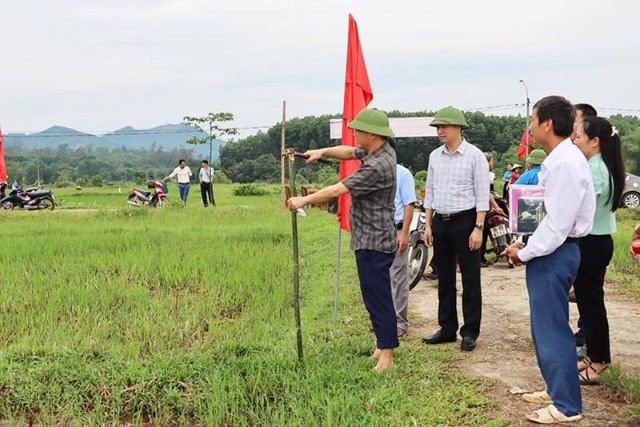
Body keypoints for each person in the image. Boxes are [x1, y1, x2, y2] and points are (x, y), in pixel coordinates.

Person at [503, 96, 595, 424]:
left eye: (532, 120)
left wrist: (525, 252)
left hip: (556, 252)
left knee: (552, 327)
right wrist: (522, 240)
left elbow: (557, 224)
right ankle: (556, 388)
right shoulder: (557, 160)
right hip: (548, 250)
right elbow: (541, 214)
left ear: (548, 124)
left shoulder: (567, 163)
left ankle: (567, 405)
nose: (529, 127)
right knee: (544, 326)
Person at [287, 108, 398, 372]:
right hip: (367, 237)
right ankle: (381, 345)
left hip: (375, 239)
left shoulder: (379, 164)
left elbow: (339, 189)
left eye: (359, 130)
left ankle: (388, 355)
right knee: (372, 295)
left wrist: (303, 199)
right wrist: (322, 152)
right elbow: (348, 151)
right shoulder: (377, 150)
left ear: (372, 134)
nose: (355, 133)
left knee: (379, 296)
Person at [421, 106, 490, 352]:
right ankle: (447, 328)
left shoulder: (474, 156)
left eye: (445, 126)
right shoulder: (434, 156)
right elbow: (430, 192)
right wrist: (428, 224)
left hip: (466, 221)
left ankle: (470, 331)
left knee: (470, 278)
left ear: (459, 128)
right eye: (438, 127)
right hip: (441, 221)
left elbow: (483, 195)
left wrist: (478, 227)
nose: (441, 130)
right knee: (445, 278)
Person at [572, 116, 626, 385]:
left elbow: (579, 207)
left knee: (591, 305)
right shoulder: (602, 166)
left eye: (579, 136)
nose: (575, 140)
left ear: (595, 142)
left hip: (592, 242)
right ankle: (593, 354)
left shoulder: (595, 170)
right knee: (588, 302)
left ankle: (599, 361)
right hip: (597, 240)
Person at [391, 164, 416, 337]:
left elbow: (409, 205)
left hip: (396, 229)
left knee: (398, 276)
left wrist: (405, 233)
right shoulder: (371, 171)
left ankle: (400, 321)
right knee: (379, 277)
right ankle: (383, 319)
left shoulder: (402, 173)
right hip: (375, 231)